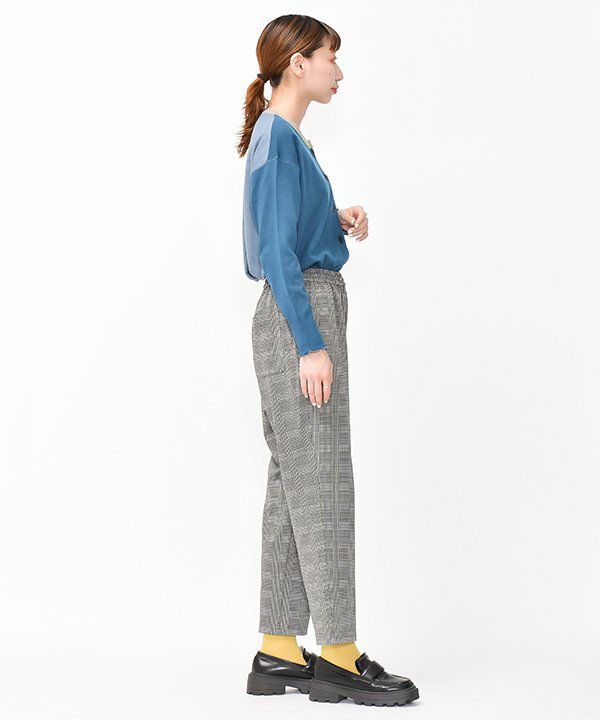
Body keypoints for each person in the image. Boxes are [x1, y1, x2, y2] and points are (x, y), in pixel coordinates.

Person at [237, 14, 419, 706]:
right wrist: (310, 343)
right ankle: (339, 654)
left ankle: (279, 649)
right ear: (297, 64)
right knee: (324, 483)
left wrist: (333, 218)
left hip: (300, 305)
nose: (338, 72)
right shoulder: (279, 138)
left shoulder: (284, 138)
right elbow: (277, 253)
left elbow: (286, 231)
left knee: (295, 481)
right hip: (300, 314)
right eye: (330, 57)